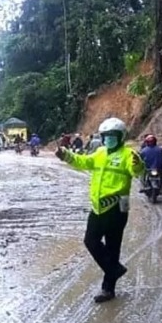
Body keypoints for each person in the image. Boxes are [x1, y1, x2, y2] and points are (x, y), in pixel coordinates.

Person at [55, 117, 145, 303]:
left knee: (113, 247)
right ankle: (114, 269)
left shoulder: (128, 154)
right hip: (97, 206)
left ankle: (108, 289)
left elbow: (137, 171)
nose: (109, 138)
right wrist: (66, 155)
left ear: (121, 136)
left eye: (113, 135)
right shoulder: (100, 152)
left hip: (116, 207)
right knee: (90, 240)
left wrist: (137, 164)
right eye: (106, 135)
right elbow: (83, 162)